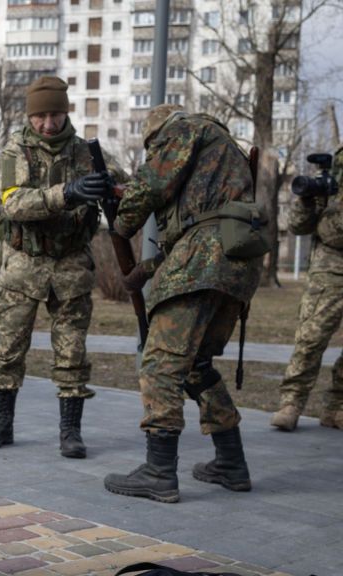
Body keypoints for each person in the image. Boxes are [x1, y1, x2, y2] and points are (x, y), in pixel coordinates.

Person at [103, 104, 265, 503]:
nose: (153, 154)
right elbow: (202, 227)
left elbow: (151, 186)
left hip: (205, 258)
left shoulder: (184, 130)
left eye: (151, 149)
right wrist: (146, 269)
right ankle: (232, 463)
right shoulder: (226, 151)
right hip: (237, 264)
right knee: (197, 366)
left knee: (159, 361)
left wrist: (121, 222)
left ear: (157, 136)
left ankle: (158, 472)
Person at [0, 76, 120, 458]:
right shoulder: (15, 151)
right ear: (30, 115)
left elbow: (121, 192)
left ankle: (70, 431)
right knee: (8, 348)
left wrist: (113, 191)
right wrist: (68, 193)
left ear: (65, 112)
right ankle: (2, 423)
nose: (47, 123)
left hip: (72, 265)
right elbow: (14, 203)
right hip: (24, 266)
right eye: (40, 116)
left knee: (72, 352)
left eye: (55, 114)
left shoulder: (87, 153)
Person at [272, 144, 343, 431]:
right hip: (331, 267)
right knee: (311, 338)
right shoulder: (335, 170)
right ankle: (291, 403)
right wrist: (307, 199)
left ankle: (336, 408)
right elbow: (298, 227)